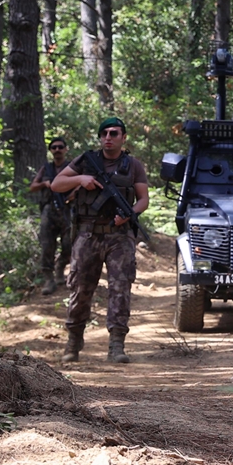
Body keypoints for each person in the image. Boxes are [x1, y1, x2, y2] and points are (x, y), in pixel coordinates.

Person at [51, 117, 149, 364]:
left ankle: (116, 345)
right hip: (88, 234)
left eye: (114, 133)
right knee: (80, 288)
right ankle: (74, 341)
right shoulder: (86, 161)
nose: (108, 137)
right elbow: (56, 184)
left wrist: (129, 214)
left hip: (120, 236)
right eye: (104, 133)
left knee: (120, 288)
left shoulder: (133, 165)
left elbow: (143, 199)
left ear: (123, 137)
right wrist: (79, 179)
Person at [29, 137, 74, 295]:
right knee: (47, 245)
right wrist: (44, 184)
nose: (57, 150)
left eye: (60, 147)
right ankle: (49, 279)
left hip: (67, 209)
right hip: (49, 210)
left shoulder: (71, 167)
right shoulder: (46, 168)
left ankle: (60, 266)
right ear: (50, 151)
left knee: (69, 244)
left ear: (65, 149)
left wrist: (72, 194)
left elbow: (81, 184)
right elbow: (33, 187)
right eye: (54, 147)